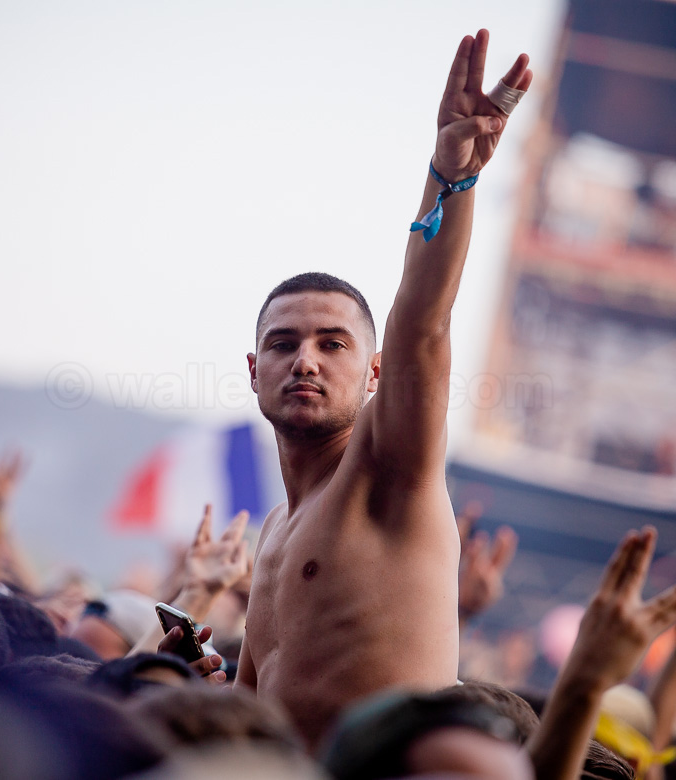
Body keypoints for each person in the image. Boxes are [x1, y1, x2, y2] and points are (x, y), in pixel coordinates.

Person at [235, 29, 533, 746]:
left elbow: (422, 323)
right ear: (253, 371)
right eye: (283, 344)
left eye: (333, 344)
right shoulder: (274, 529)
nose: (306, 361)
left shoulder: (386, 466)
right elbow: (253, 705)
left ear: (376, 373)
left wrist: (450, 178)